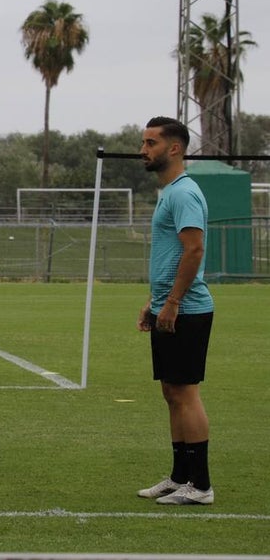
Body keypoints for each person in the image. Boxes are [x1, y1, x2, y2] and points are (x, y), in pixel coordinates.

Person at [136, 116, 215, 506]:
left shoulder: (184, 193)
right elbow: (172, 255)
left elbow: (194, 250)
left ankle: (200, 485)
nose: (143, 150)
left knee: (185, 393)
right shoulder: (169, 192)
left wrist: (173, 302)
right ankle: (179, 475)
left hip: (188, 309)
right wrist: (155, 302)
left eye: (151, 143)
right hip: (169, 307)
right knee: (171, 392)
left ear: (174, 148)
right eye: (144, 142)